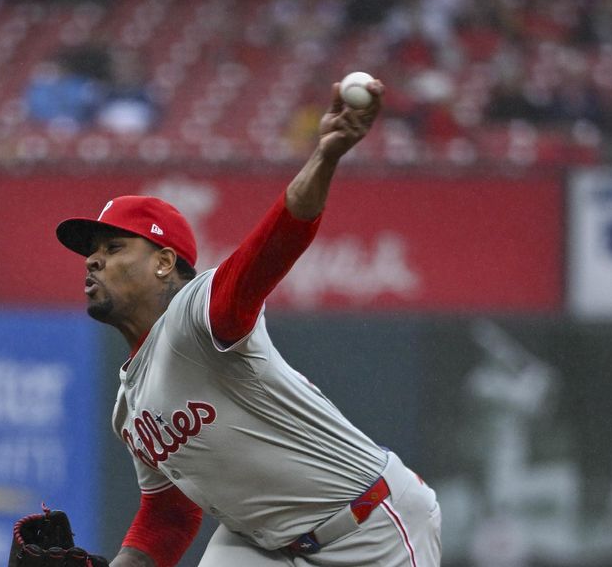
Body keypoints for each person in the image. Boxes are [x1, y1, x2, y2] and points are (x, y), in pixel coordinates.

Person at [55, 78, 441, 567]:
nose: (93, 262)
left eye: (113, 248)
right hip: (261, 545)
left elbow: (274, 246)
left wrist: (325, 157)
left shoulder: (198, 316)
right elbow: (168, 517)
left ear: (164, 263)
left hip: (369, 526)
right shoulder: (129, 411)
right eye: (91, 253)